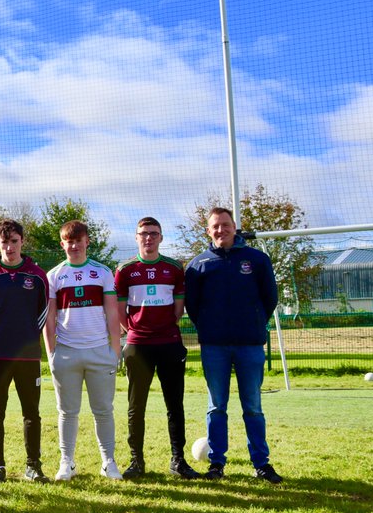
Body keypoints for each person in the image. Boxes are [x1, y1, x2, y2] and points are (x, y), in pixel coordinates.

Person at [184, 207, 282, 483]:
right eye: (215, 226)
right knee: (216, 406)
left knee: (252, 406)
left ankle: (261, 463)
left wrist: (252, 323)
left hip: (249, 344)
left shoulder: (257, 259)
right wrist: (211, 327)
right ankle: (216, 463)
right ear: (208, 230)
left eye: (225, 225)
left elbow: (269, 298)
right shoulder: (198, 264)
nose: (220, 230)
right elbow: (193, 305)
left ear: (234, 226)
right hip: (214, 346)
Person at [115, 217, 201, 480]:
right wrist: (134, 331)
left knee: (174, 404)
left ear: (161, 237)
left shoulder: (174, 268)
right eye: (143, 234)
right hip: (138, 346)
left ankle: (178, 460)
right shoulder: (125, 270)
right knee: (135, 406)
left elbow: (178, 309)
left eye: (153, 233)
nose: (148, 238)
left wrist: (166, 326)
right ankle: (136, 461)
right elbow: (120, 311)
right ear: (137, 237)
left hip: (169, 343)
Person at [44, 220, 122, 481]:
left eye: (79, 240)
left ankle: (108, 462)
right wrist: (51, 353)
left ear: (87, 241)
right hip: (66, 353)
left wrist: (115, 349)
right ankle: (67, 462)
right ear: (62, 243)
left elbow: (112, 311)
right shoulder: (54, 275)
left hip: (100, 351)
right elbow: (50, 316)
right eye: (69, 240)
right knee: (67, 412)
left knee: (103, 410)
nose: (74, 245)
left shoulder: (102, 272)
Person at [0, 219, 51, 484]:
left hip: (28, 355)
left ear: (22, 241)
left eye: (14, 241)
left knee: (31, 412)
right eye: (4, 242)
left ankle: (34, 466)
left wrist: (28, 338)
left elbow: (42, 313)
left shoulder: (37, 275)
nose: (9, 247)